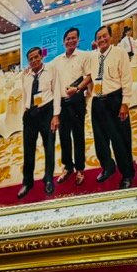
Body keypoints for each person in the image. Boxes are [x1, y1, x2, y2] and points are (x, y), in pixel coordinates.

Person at [90, 25, 136, 189]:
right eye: (99, 37)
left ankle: (127, 174)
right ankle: (108, 167)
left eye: (104, 36)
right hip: (97, 102)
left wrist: (125, 103)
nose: (102, 39)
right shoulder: (92, 56)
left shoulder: (119, 53)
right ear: (95, 41)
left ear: (110, 37)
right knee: (100, 141)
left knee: (120, 140)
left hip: (115, 100)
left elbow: (127, 78)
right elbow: (88, 76)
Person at [17, 46, 60, 200]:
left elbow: (57, 92)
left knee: (49, 148)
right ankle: (27, 183)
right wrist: (24, 111)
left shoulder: (51, 71)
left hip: (46, 112)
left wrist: (56, 115)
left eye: (36, 57)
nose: (34, 60)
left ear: (41, 57)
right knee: (28, 151)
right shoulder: (26, 75)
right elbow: (24, 94)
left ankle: (48, 179)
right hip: (30, 115)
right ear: (28, 61)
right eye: (31, 59)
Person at [51, 26, 91, 186]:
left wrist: (78, 88)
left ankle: (80, 168)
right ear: (63, 42)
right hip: (62, 104)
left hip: (77, 102)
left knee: (79, 136)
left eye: (74, 38)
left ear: (78, 39)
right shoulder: (57, 60)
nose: (71, 41)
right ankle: (68, 167)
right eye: (68, 38)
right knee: (64, 137)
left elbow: (89, 76)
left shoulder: (83, 56)